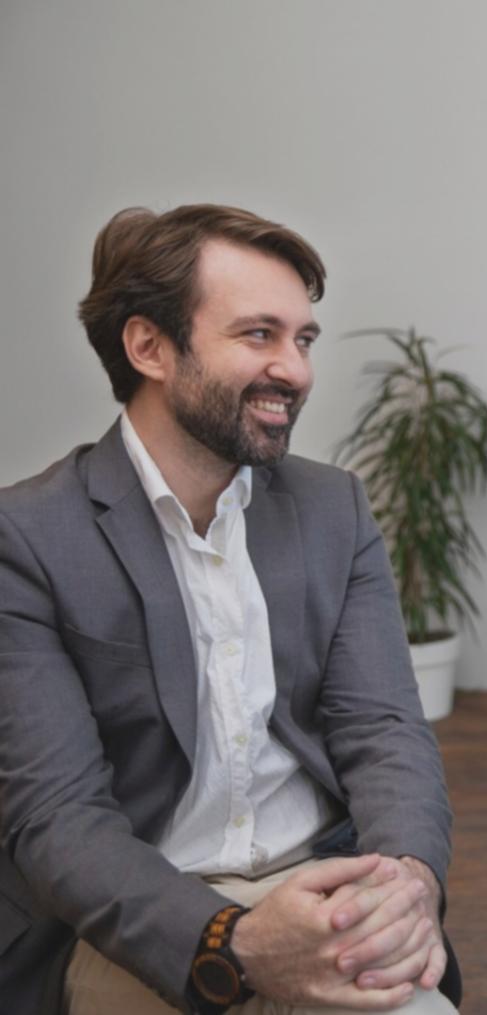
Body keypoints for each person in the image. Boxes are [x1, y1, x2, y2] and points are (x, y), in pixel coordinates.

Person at [0, 205, 461, 1014]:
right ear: (149, 347)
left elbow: (382, 727)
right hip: (140, 918)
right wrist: (234, 940)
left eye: (304, 339)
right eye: (258, 335)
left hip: (324, 881)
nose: (296, 369)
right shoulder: (29, 538)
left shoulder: (332, 509)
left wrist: (406, 882)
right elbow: (58, 819)